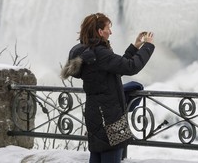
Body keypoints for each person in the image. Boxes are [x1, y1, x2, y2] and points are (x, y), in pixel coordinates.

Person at [64, 13, 155, 163]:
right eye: (108, 28)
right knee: (111, 155)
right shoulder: (100, 53)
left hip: (95, 114)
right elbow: (131, 67)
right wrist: (148, 46)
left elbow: (116, 65)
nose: (111, 32)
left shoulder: (88, 52)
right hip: (109, 117)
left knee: (97, 157)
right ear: (100, 32)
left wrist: (135, 47)